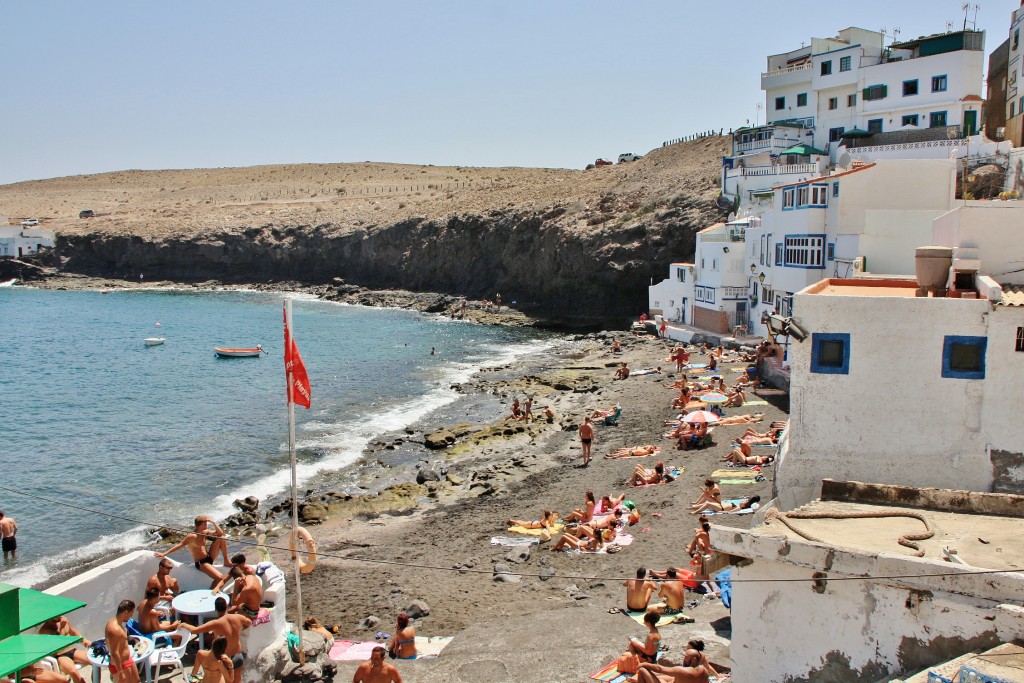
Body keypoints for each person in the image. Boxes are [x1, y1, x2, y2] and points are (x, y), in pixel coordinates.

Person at [181, 597, 251, 683]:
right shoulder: (238, 617)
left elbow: (195, 630)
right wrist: (241, 629)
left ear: (215, 609)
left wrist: (183, 624)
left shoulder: (215, 623)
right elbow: (249, 622)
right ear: (226, 606)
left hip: (225, 657)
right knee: (237, 681)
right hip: (237, 654)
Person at [154, 517, 225, 589]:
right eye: (206, 523)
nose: (207, 524)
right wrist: (164, 553)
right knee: (219, 577)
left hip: (209, 557)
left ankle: (226, 561)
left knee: (221, 537)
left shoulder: (205, 532)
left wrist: (213, 522)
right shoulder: (192, 536)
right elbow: (180, 545)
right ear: (203, 524)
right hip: (202, 563)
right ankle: (211, 592)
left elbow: (220, 533)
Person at [38, 616, 89, 681]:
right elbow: (56, 646)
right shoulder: (44, 631)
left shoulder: (64, 621)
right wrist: (61, 629)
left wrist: (84, 640)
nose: (60, 617)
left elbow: (73, 632)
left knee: (95, 660)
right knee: (74, 672)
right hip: (60, 656)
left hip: (72, 650)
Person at [105, 600, 140, 683]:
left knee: (137, 680)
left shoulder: (119, 623)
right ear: (125, 612)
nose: (131, 617)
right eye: (131, 614)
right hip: (120, 665)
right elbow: (114, 652)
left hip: (127, 660)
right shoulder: (114, 629)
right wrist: (120, 672)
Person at [635, 649, 710, 683]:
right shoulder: (705, 672)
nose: (683, 659)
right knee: (667, 677)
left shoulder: (682, 671)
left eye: (686, 657)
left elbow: (659, 668)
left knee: (642, 670)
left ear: (693, 659)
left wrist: (644, 664)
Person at [690, 496, 761, 515]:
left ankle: (695, 512)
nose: (743, 501)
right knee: (708, 501)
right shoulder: (740, 505)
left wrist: (720, 512)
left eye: (744, 501)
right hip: (720, 505)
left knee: (708, 503)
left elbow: (730, 512)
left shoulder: (739, 507)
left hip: (720, 508)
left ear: (744, 505)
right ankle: (693, 507)